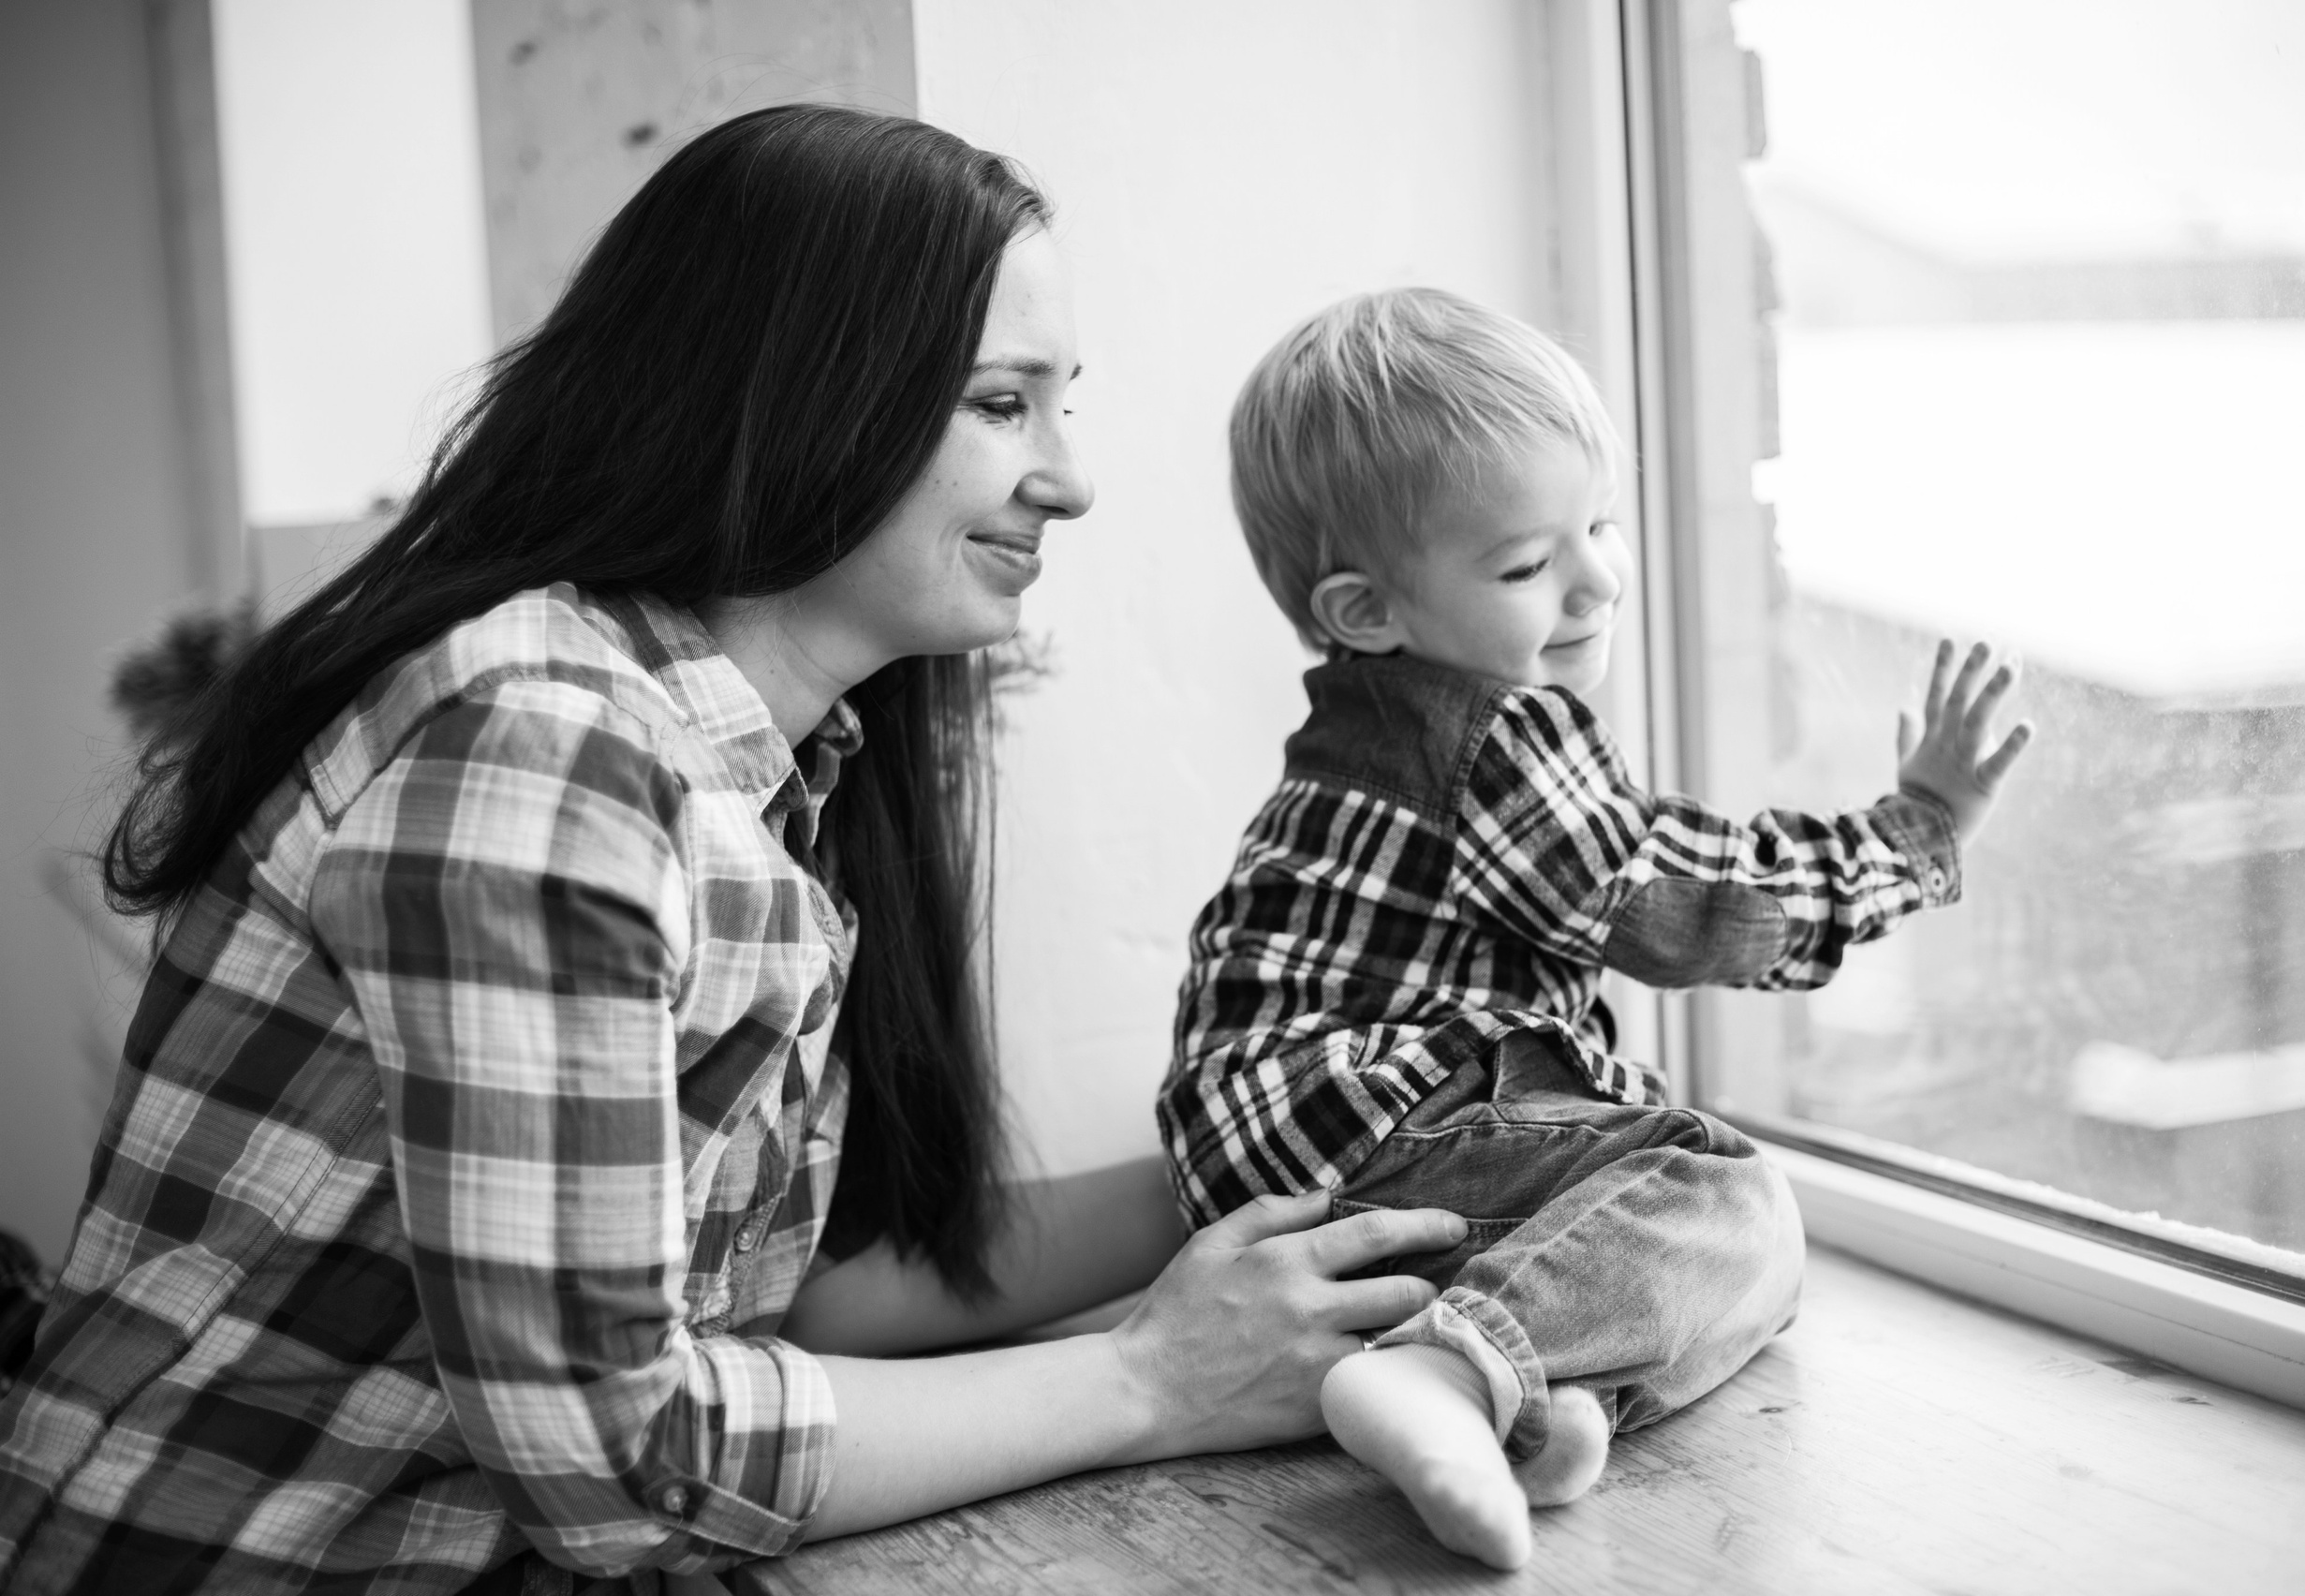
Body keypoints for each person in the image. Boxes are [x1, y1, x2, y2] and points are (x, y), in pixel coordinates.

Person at [0, 107, 1467, 1596]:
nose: (1071, 481)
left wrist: (1284, 1163)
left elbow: (800, 1302)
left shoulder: (765, 769)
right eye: (1000, 403)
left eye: (1061, 402)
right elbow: (620, 1460)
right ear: (802, 393)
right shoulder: (540, 745)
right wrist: (1156, 1381)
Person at [1159, 287, 2033, 1570]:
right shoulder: (1490, 732)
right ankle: (1454, 1373)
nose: (1597, 583)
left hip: (1279, 1169)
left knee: (1730, 1274)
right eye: (1527, 565)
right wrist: (1914, 835)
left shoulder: (1366, 736)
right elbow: (1684, 906)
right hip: (1377, 1119)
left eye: (1600, 527)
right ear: (1366, 614)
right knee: (1732, 1198)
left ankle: (1519, 1398)